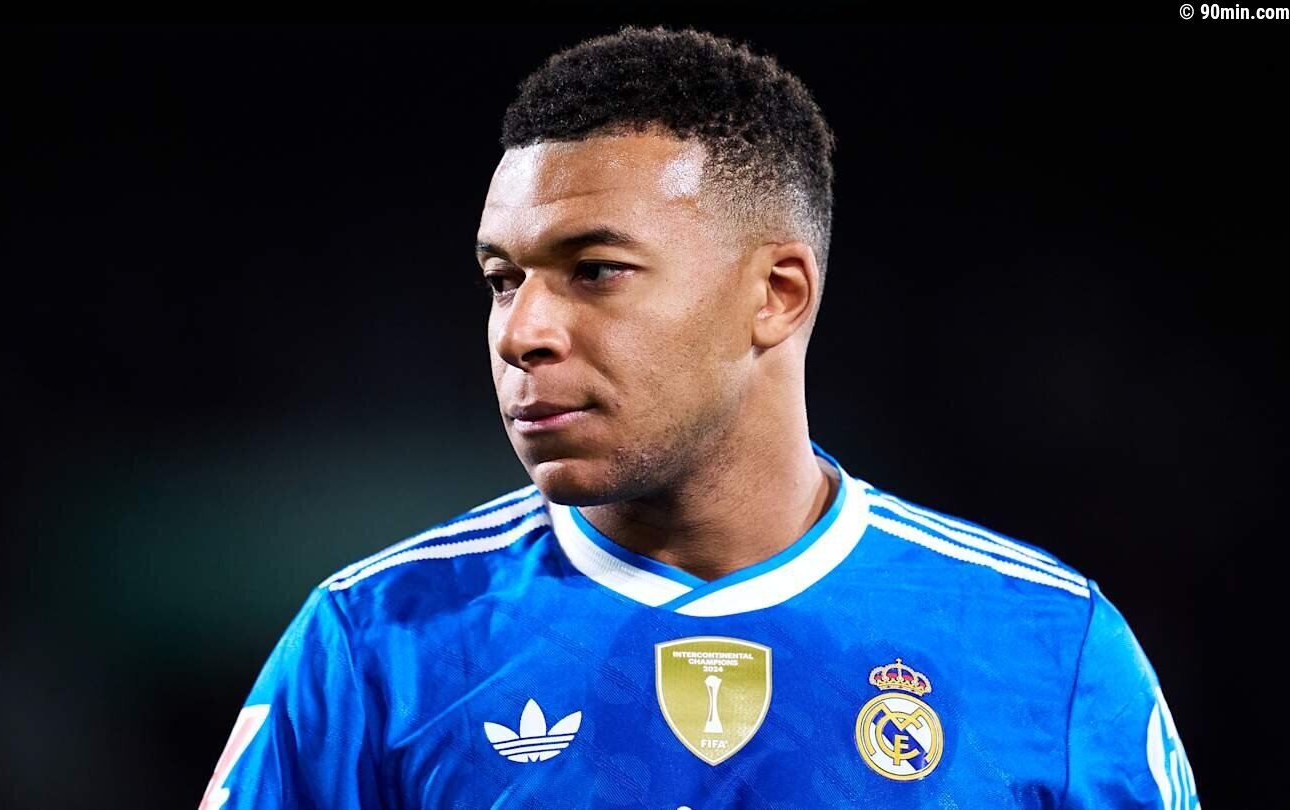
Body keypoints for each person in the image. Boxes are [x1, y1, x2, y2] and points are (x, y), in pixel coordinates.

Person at [198, 25, 1200, 809]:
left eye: (596, 270)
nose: (523, 332)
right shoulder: (376, 645)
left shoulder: (1044, 647)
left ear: (777, 295)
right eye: (503, 279)